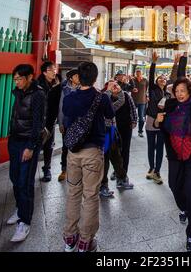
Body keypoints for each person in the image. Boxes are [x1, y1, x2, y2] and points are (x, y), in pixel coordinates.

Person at [154, 77, 191, 252]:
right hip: (174, 155)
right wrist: (157, 120)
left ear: (189, 91)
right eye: (176, 91)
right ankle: (185, 208)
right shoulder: (170, 105)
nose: (179, 94)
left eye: (182, 91)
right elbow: (160, 125)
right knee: (173, 185)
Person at [63, 62, 115, 252]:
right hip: (93, 152)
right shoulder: (101, 98)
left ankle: (69, 238)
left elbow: (67, 118)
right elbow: (110, 115)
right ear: (95, 77)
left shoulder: (69, 98)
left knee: (73, 192)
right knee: (91, 195)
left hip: (73, 152)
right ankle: (85, 241)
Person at [7, 64, 46, 242]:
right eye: (14, 79)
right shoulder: (18, 91)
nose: (16, 82)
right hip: (14, 141)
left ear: (30, 77)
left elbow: (38, 123)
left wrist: (30, 147)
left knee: (25, 182)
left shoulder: (38, 94)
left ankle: (25, 221)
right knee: (15, 178)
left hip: (27, 143)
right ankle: (20, 208)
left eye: (19, 79)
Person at [100, 81, 135, 197]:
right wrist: (109, 91)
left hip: (112, 130)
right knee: (105, 159)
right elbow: (110, 106)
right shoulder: (102, 96)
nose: (114, 86)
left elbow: (123, 102)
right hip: (104, 131)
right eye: (111, 85)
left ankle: (121, 178)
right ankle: (103, 185)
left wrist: (119, 92)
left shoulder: (122, 95)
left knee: (117, 157)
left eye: (116, 84)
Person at [145, 52, 170, 185]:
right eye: (160, 78)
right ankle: (151, 167)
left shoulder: (167, 93)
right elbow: (150, 76)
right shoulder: (153, 89)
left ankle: (158, 171)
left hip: (162, 122)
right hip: (150, 119)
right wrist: (153, 63)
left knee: (160, 147)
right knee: (151, 146)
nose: (162, 79)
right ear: (156, 81)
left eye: (164, 79)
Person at [37, 61, 60, 182]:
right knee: (36, 145)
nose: (55, 72)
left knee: (49, 146)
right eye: (52, 70)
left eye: (55, 69)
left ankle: (47, 169)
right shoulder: (37, 85)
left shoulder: (57, 84)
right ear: (45, 72)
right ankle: (30, 170)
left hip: (51, 120)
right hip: (39, 121)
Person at [57, 68, 80, 182]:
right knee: (66, 147)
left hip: (80, 124)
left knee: (79, 147)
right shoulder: (65, 90)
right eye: (76, 76)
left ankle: (77, 170)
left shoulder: (83, 89)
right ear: (71, 78)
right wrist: (61, 123)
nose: (78, 78)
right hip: (67, 122)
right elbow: (61, 107)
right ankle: (64, 169)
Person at [131, 68, 148, 137]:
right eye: (137, 72)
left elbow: (146, 89)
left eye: (139, 72)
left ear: (141, 73)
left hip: (142, 101)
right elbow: (129, 88)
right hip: (133, 101)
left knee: (141, 117)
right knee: (131, 116)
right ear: (135, 73)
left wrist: (147, 96)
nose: (138, 73)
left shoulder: (145, 80)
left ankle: (140, 131)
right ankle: (129, 130)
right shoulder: (132, 80)